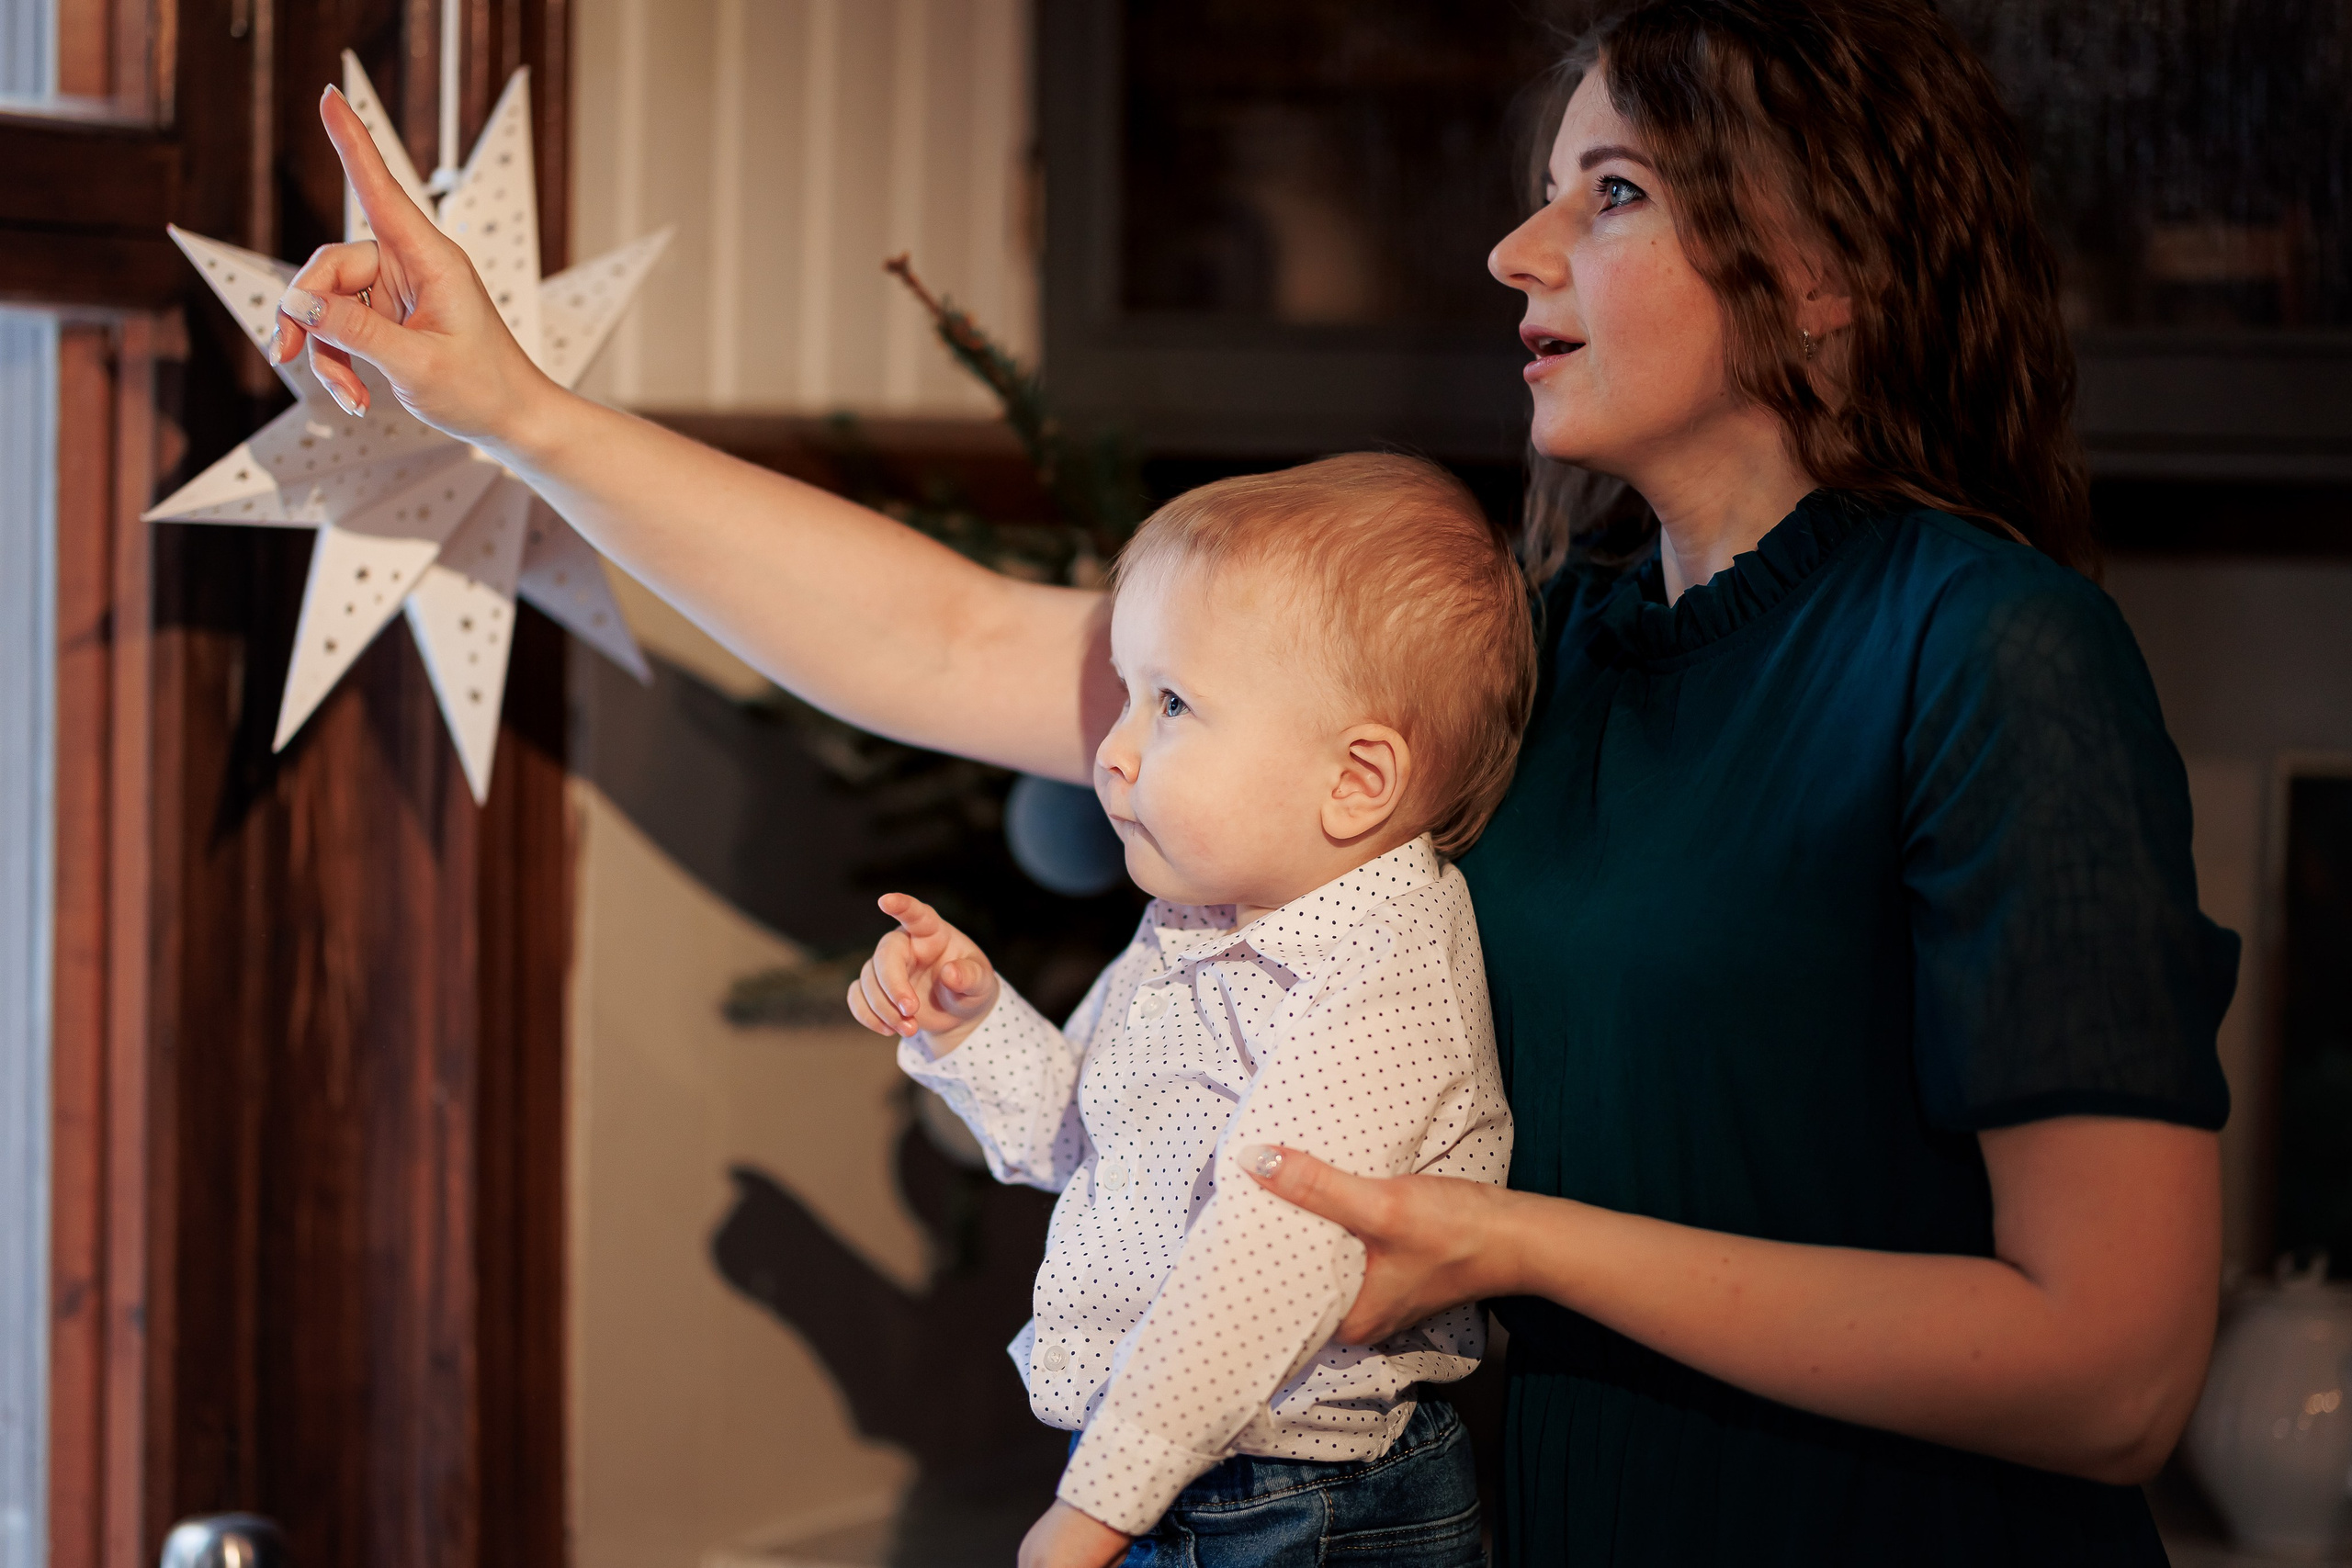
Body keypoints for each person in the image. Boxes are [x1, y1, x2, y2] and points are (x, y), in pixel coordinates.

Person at [275, 0, 2235, 1561]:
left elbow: (2109, 1370)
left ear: (1818, 272)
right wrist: (514, 412)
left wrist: (1508, 1242)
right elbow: (950, 642)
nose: (1513, 245)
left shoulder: (1980, 648)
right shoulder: (1548, 653)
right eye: (1547, 187)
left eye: (1612, 191)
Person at [841, 456, 1525, 1565]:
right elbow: (1084, 1141)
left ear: (1355, 782)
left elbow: (1263, 1265)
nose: (1109, 752)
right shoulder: (1200, 923)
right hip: (1183, 1464)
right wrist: (971, 1028)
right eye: (1124, 694)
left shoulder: (1383, 980)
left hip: (1306, 1501)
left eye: (1170, 704)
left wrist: (1099, 1503)